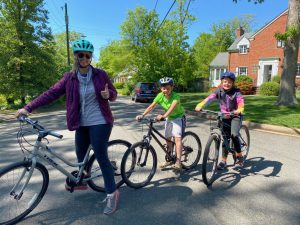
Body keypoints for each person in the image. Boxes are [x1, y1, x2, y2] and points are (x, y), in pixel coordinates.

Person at [15, 39, 119, 215]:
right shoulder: (69, 78)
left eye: (87, 55)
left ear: (91, 57)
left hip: (100, 121)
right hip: (81, 123)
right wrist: (28, 107)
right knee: (81, 158)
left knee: (101, 157)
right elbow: (51, 93)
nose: (84, 58)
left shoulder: (101, 75)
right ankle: (82, 181)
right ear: (76, 57)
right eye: (80, 55)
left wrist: (109, 94)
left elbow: (114, 93)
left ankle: (112, 193)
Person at [195, 71, 245, 170]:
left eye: (229, 82)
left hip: (235, 116)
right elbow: (209, 98)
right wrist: (200, 105)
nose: (227, 83)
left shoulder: (236, 92)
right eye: (225, 81)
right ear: (222, 82)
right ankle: (223, 161)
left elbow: (240, 102)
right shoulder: (219, 91)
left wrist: (239, 110)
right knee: (225, 138)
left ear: (233, 83)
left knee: (234, 135)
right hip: (224, 116)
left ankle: (239, 156)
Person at [136, 77, 186, 173]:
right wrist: (142, 115)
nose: (165, 90)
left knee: (177, 138)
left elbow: (172, 108)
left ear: (171, 88)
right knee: (167, 138)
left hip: (178, 117)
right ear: (161, 88)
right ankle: (170, 159)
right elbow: (151, 106)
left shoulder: (176, 96)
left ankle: (178, 162)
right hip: (169, 118)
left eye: (167, 88)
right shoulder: (160, 96)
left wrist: (163, 116)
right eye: (163, 88)